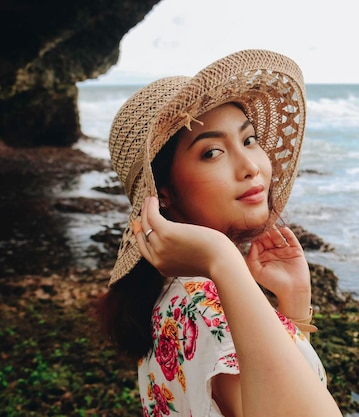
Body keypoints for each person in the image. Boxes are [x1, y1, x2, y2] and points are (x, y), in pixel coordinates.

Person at [98, 49, 342, 417]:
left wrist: (293, 304)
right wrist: (223, 258)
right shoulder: (207, 306)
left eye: (248, 140)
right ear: (162, 191)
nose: (250, 167)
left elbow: (275, 392)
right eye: (212, 152)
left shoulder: (168, 293)